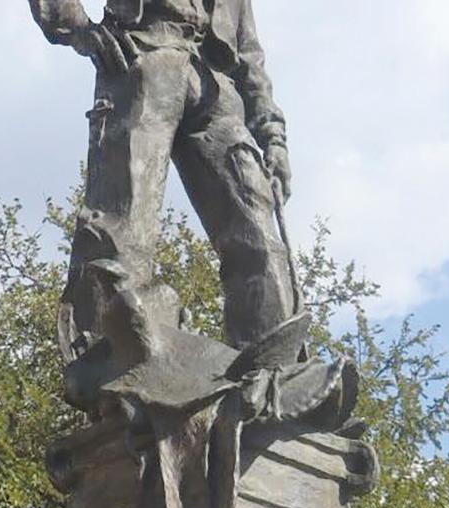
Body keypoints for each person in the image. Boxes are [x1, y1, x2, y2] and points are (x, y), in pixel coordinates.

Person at [28, 0, 297, 353]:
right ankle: (110, 363)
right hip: (142, 54)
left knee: (258, 234)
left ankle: (270, 375)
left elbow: (248, 53)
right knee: (122, 233)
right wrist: (79, 30)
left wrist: (272, 136)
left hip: (214, 82)